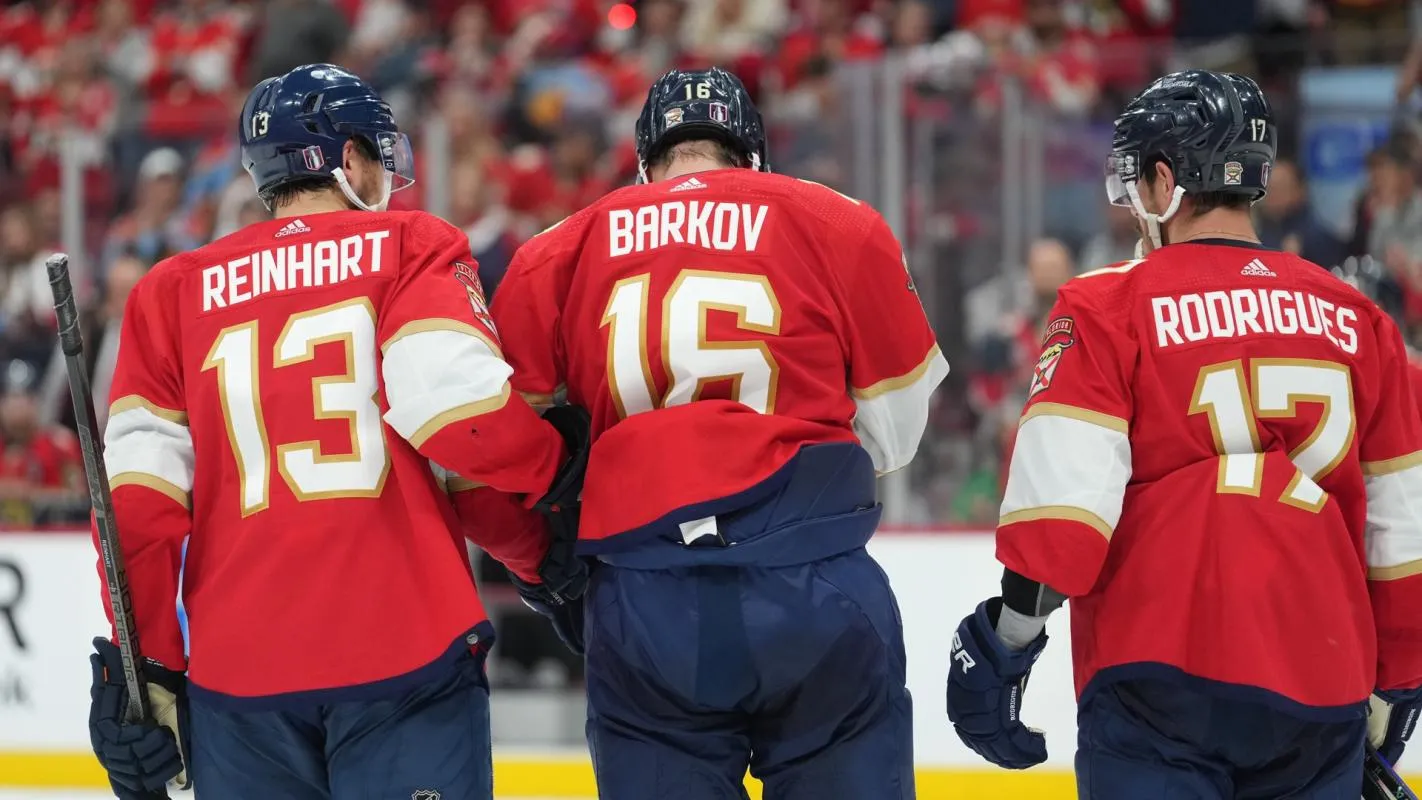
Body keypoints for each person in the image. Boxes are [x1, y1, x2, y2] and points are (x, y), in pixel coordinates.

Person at [84, 63, 587, 800]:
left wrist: (147, 665)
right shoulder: (409, 245)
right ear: (349, 159)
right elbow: (463, 426)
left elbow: (135, 510)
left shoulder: (169, 292)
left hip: (239, 679)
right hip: (404, 651)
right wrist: (550, 506)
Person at [945, 69, 1422, 798]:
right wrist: (1396, 691)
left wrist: (1005, 643)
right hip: (1323, 682)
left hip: (1158, 670)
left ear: (1166, 182)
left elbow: (1060, 516)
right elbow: (1404, 535)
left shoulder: (1108, 304)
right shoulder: (1362, 321)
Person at [490, 67, 948, 799]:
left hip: (642, 594)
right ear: (752, 154)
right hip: (814, 579)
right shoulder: (837, 219)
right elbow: (897, 424)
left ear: (646, 161)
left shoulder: (557, 249)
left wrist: (547, 562)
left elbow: (508, 443)